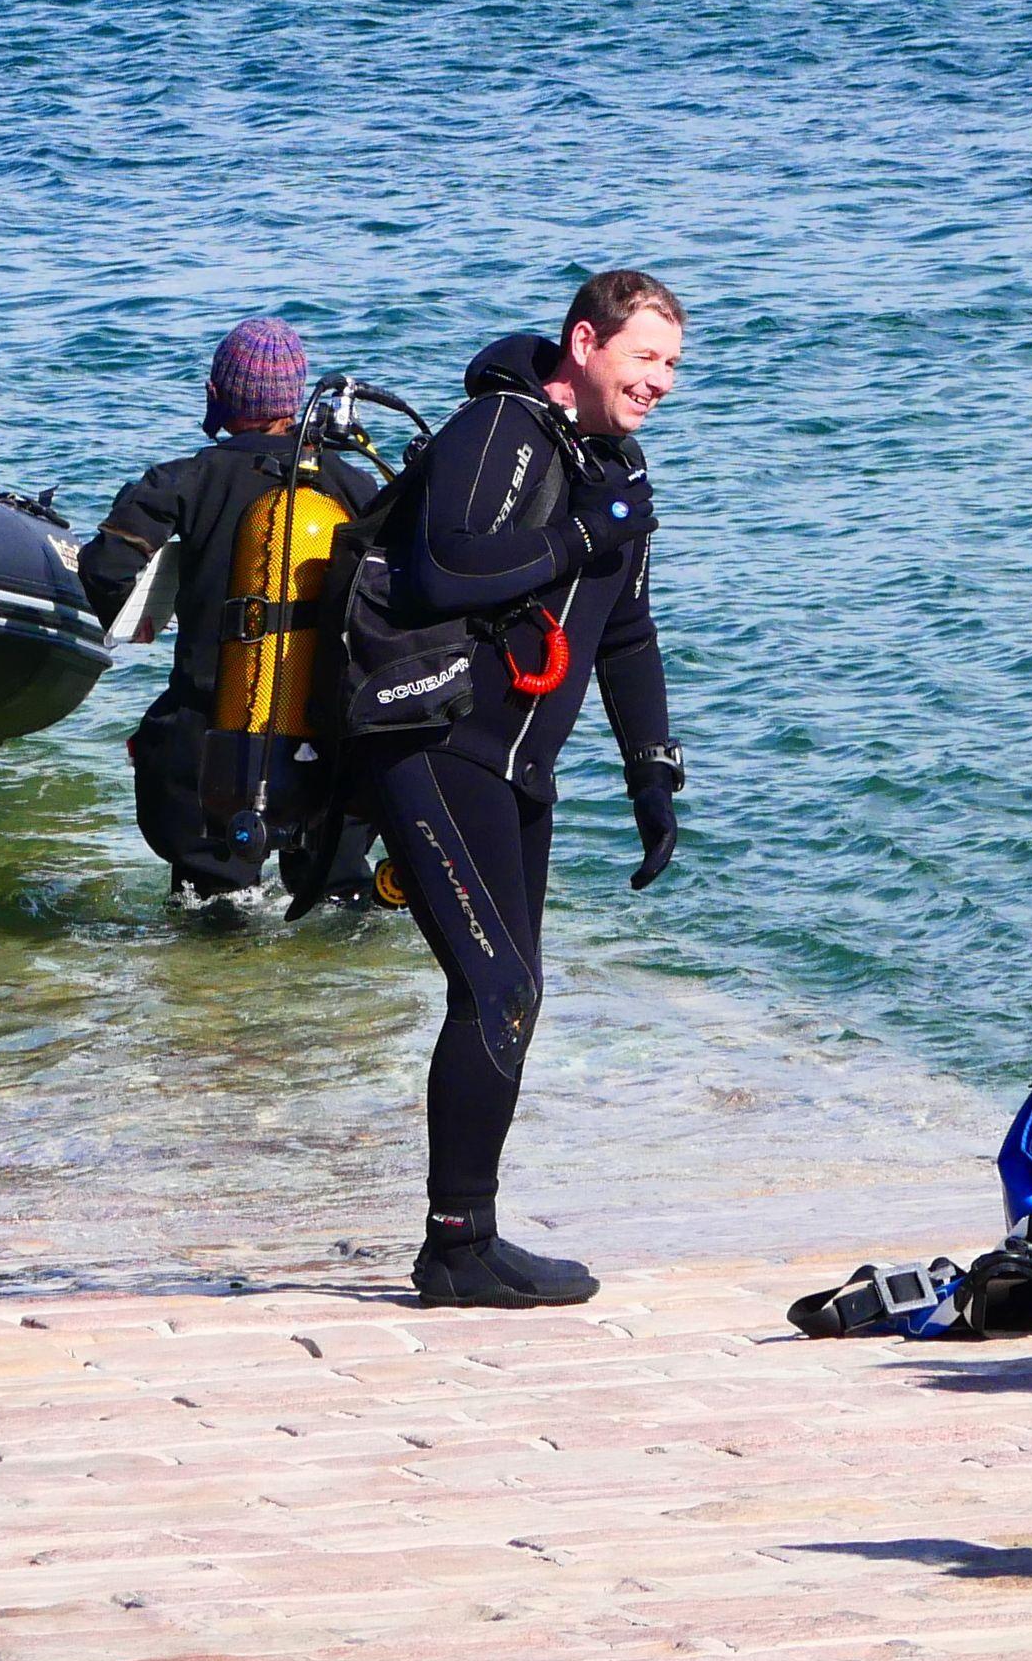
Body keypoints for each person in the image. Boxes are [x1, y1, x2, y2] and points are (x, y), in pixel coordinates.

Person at [351, 270, 685, 1309]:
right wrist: (583, 534)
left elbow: (625, 631)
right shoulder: (500, 428)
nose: (661, 381)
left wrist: (652, 772)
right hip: (433, 741)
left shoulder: (614, 464)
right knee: (498, 987)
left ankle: (470, 1237)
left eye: (673, 364)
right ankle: (455, 1249)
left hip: (515, 766)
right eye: (645, 356)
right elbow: (445, 571)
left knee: (509, 995)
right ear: (585, 343)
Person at [86, 315, 390, 901]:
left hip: (211, 746)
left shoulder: (185, 479)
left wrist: (137, 618)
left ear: (216, 394)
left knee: (213, 908)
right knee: (338, 904)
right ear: (294, 401)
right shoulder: (353, 485)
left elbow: (105, 569)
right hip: (327, 746)